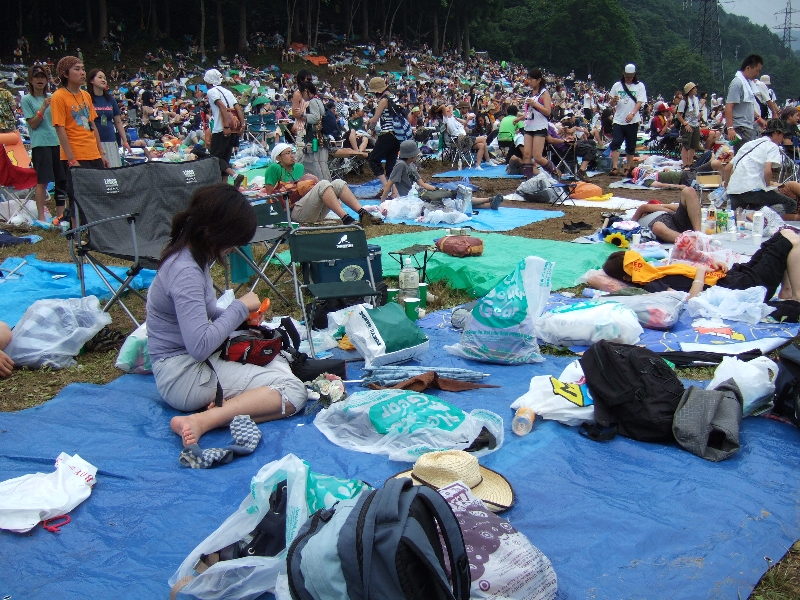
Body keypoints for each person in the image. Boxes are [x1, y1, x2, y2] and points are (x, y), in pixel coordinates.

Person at [146, 184, 307, 446]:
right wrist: (240, 308)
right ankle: (204, 420)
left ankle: (228, 406)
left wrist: (243, 320)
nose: (233, 248)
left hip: (192, 362)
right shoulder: (185, 271)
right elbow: (199, 346)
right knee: (293, 391)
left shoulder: (193, 256)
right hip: (181, 373)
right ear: (213, 232)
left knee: (277, 361)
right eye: (232, 241)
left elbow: (207, 312)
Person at [602, 229, 800, 302]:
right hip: (742, 287)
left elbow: (695, 277)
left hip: (734, 278)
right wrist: (701, 274)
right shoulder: (652, 285)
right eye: (635, 265)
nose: (642, 264)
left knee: (784, 232)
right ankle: (797, 297)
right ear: (628, 277)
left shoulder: (658, 271)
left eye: (639, 260)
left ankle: (787, 292)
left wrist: (716, 269)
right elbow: (690, 300)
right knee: (790, 240)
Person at [50, 56, 109, 222]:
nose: (82, 72)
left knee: (99, 193)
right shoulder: (59, 97)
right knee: (76, 196)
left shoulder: (86, 95)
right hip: (75, 154)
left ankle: (96, 230)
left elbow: (93, 125)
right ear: (65, 73)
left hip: (93, 153)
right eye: (77, 69)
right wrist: (71, 159)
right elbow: (60, 129)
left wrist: (101, 153)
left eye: (83, 69)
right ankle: (76, 234)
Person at [264, 143, 382, 225]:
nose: (292, 155)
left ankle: (363, 214)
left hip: (309, 209)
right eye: (287, 153)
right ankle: (346, 218)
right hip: (293, 213)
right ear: (279, 158)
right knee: (323, 183)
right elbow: (270, 197)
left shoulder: (299, 167)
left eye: (292, 152)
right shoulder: (274, 168)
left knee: (337, 183)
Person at [380, 140, 502, 209]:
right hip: (414, 199)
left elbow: (422, 183)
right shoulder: (400, 165)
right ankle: (489, 201)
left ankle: (490, 204)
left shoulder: (411, 165)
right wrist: (382, 204)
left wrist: (437, 189)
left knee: (453, 200)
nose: (418, 156)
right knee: (453, 201)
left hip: (422, 193)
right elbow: (389, 184)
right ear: (411, 155)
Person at [21, 65, 66, 222]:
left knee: (62, 179)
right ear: (31, 80)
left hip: (57, 142)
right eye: (36, 77)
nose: (40, 80)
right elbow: (33, 124)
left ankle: (61, 215)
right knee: (43, 180)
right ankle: (41, 216)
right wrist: (44, 107)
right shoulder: (27, 99)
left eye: (43, 77)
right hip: (40, 144)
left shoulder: (54, 97)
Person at [726, 119, 800, 214]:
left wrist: (727, 184)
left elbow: (727, 168)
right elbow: (767, 171)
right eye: (783, 135)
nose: (782, 139)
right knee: (790, 204)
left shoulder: (748, 144)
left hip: (733, 192)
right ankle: (763, 217)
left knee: (739, 219)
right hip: (752, 190)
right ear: (776, 133)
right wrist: (768, 185)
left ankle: (754, 216)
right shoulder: (772, 146)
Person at [203, 68, 244, 185]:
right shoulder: (228, 92)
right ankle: (225, 185)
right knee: (225, 159)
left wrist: (225, 126)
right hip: (234, 129)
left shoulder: (211, 92)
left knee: (215, 159)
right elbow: (237, 108)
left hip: (221, 129)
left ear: (208, 82)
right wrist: (242, 125)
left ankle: (234, 175)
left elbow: (222, 107)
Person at [608, 63, 647, 177]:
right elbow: (611, 103)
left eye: (630, 76)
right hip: (619, 119)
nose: (628, 78)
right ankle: (615, 167)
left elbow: (639, 102)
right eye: (626, 76)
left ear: (634, 75)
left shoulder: (639, 86)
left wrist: (632, 113)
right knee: (616, 142)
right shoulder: (617, 85)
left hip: (633, 120)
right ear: (623, 74)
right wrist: (613, 101)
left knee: (631, 145)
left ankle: (627, 167)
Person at [87, 69, 130, 168]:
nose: (103, 80)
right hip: (94, 143)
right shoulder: (87, 99)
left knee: (113, 170)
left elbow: (118, 122)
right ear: (91, 81)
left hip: (111, 140)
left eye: (104, 78)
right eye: (100, 77)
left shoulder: (111, 99)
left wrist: (124, 140)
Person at [629, 187, 702, 243]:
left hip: (673, 220)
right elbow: (642, 209)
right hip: (665, 228)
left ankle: (699, 235)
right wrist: (664, 208)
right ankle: (693, 241)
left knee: (689, 190)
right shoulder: (646, 214)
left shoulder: (661, 210)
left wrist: (663, 206)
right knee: (657, 227)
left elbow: (679, 208)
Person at [366, 77, 402, 186]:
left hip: (387, 134)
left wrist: (370, 125)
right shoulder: (394, 98)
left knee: (373, 160)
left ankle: (385, 187)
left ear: (377, 91)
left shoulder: (384, 100)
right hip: (397, 135)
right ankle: (394, 192)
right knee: (390, 165)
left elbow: (375, 120)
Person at [724, 54, 765, 149]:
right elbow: (729, 106)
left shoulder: (748, 83)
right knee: (743, 156)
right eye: (757, 70)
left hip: (748, 126)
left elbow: (748, 105)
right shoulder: (737, 83)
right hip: (740, 127)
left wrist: (758, 119)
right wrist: (730, 128)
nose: (757, 74)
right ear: (748, 68)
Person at [521, 68, 555, 177]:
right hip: (529, 125)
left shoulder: (544, 93)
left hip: (539, 126)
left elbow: (548, 112)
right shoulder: (530, 93)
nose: (529, 82)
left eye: (531, 80)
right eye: (529, 79)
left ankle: (555, 171)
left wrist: (535, 105)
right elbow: (529, 112)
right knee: (526, 155)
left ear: (538, 80)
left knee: (537, 156)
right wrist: (519, 118)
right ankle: (528, 179)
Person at [676, 82, 702, 169]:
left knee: (694, 145)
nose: (696, 90)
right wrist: (685, 124)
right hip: (687, 124)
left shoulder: (696, 100)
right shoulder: (684, 101)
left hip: (696, 124)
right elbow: (679, 115)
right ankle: (685, 164)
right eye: (694, 88)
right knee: (686, 145)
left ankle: (690, 163)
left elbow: (698, 112)